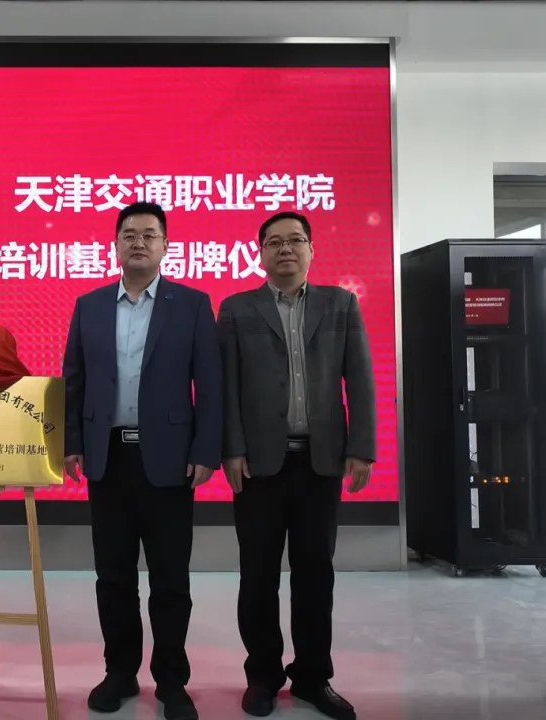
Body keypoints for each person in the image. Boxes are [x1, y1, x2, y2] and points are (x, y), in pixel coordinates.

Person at [62, 201, 222, 720]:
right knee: (113, 577)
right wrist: (72, 442)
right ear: (115, 245)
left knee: (170, 579)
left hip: (171, 462)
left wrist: (205, 450)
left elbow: (210, 385)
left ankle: (172, 681)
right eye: (129, 234)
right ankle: (120, 672)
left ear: (165, 246)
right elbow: (74, 380)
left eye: (149, 234)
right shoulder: (89, 305)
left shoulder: (191, 304)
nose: (138, 242)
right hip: (108, 458)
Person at [217, 211, 375, 720]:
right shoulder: (236, 309)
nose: (286, 249)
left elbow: (360, 378)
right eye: (275, 242)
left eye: (296, 241)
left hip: (320, 462)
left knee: (315, 573)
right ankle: (262, 675)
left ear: (311, 250)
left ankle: (312, 676)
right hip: (258, 466)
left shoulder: (340, 304)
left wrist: (362, 446)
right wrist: (231, 449)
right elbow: (227, 387)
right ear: (260, 252)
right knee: (257, 575)